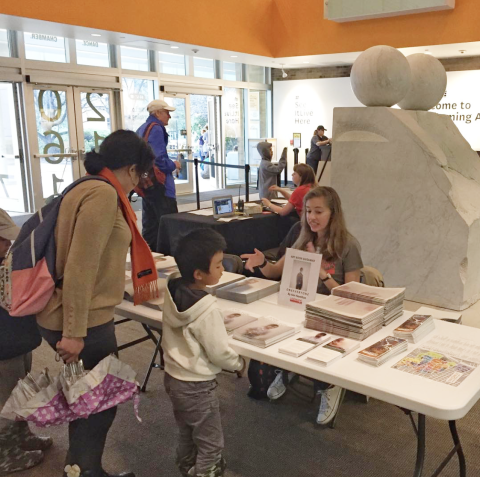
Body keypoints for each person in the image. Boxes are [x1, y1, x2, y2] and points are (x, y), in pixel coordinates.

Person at [36, 130, 157, 477]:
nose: (140, 184)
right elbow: (80, 267)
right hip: (82, 321)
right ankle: (85, 471)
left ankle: (79, 468)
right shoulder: (104, 195)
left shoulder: (86, 185)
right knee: (99, 402)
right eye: (142, 175)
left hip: (72, 313)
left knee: (86, 395)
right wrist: (74, 332)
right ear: (133, 169)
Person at [241, 186, 363, 425]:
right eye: (308, 211)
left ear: (333, 213)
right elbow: (276, 272)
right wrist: (262, 262)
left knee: (317, 337)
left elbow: (352, 296)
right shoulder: (302, 237)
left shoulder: (348, 245)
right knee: (274, 324)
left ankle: (329, 384)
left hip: (332, 311)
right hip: (298, 305)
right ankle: (287, 368)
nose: (312, 217)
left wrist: (323, 275)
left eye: (319, 211)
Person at [162, 228, 246, 477]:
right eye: (219, 265)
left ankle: (186, 467)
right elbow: (219, 353)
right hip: (197, 385)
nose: (222, 269)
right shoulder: (206, 308)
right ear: (199, 274)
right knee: (211, 443)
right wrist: (239, 363)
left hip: (174, 379)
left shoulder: (174, 290)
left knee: (187, 431)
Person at [0, 209, 52, 476]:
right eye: (2, 239)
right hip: (3, 348)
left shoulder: (6, 262)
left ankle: (21, 437)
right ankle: (5, 454)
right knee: (6, 399)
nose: (8, 244)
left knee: (20, 391)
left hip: (18, 339)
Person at [135, 99, 181, 251]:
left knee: (151, 227)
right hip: (160, 187)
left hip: (147, 185)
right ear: (158, 113)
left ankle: (152, 259)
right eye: (167, 112)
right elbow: (159, 159)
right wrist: (173, 165)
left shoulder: (142, 128)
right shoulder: (156, 129)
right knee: (169, 227)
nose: (169, 116)